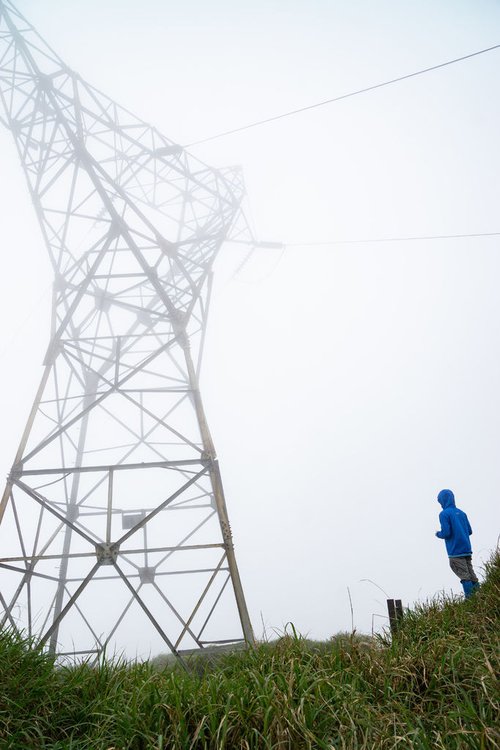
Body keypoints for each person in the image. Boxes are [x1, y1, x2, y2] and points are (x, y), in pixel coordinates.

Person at [435, 489, 480, 598]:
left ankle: (470, 600)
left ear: (443, 500)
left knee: (464, 576)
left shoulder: (444, 514)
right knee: (471, 574)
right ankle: (480, 597)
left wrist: (438, 534)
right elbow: (469, 531)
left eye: (440, 501)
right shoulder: (462, 513)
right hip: (467, 549)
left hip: (455, 551)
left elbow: (446, 532)